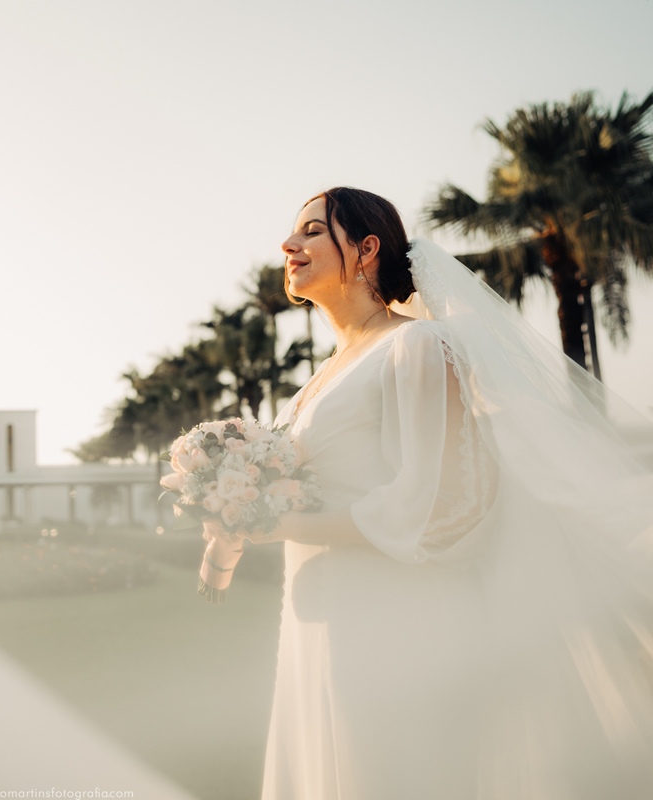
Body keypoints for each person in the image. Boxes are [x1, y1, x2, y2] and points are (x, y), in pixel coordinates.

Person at [198, 187, 653, 799]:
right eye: (294, 233)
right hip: (316, 625)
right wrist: (229, 530)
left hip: (394, 633)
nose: (289, 245)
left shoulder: (414, 347)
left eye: (311, 230)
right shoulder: (315, 385)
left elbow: (445, 505)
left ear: (366, 249)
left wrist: (277, 524)